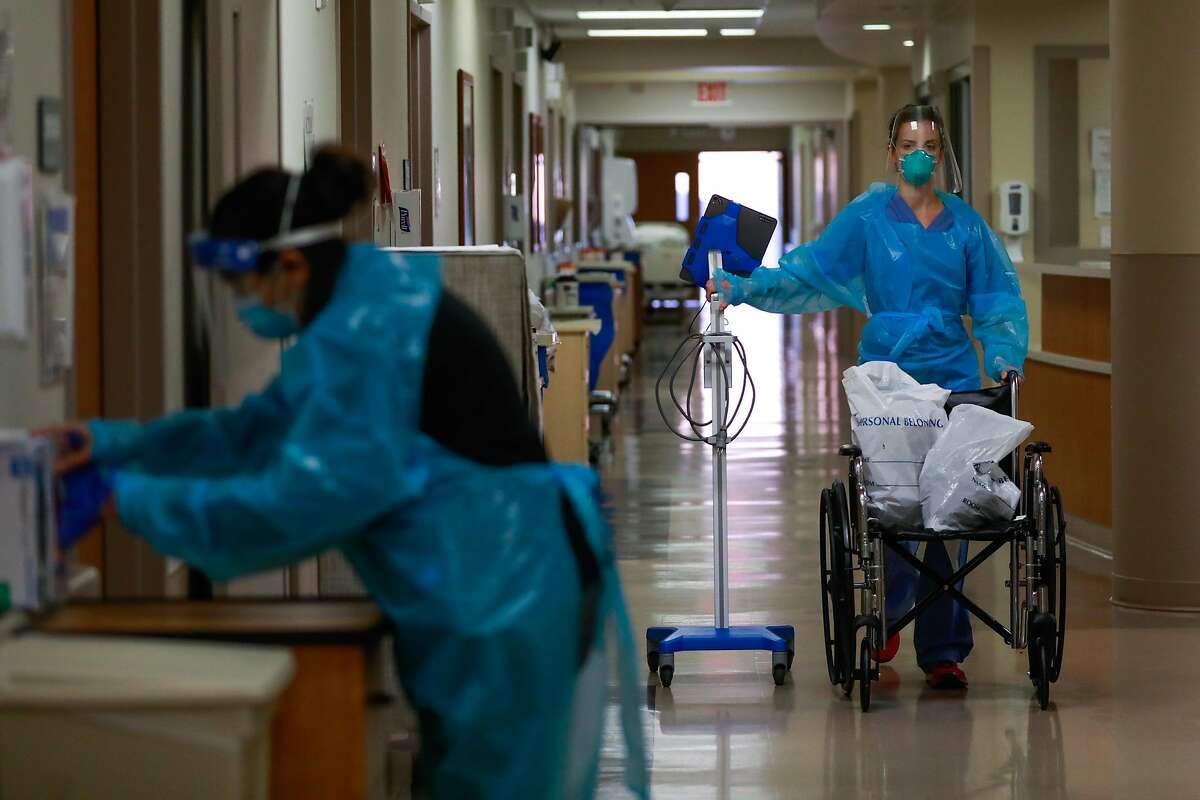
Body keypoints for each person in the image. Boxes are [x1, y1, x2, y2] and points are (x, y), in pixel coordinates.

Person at [42, 147, 647, 799]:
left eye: (244, 283)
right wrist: (111, 446)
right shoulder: (363, 307)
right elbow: (254, 432)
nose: (244, 303)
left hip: (503, 595)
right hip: (486, 582)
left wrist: (126, 498)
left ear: (292, 263)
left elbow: (301, 503)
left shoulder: (369, 333)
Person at [708, 104, 1029, 690]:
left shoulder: (964, 225)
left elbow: (996, 301)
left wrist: (1004, 360)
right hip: (887, 378)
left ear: (941, 152)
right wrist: (744, 286)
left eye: (929, 144)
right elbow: (810, 273)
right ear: (892, 152)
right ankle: (885, 617)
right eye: (909, 144)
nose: (919, 155)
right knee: (895, 504)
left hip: (953, 375)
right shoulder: (866, 218)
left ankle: (943, 651)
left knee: (950, 515)